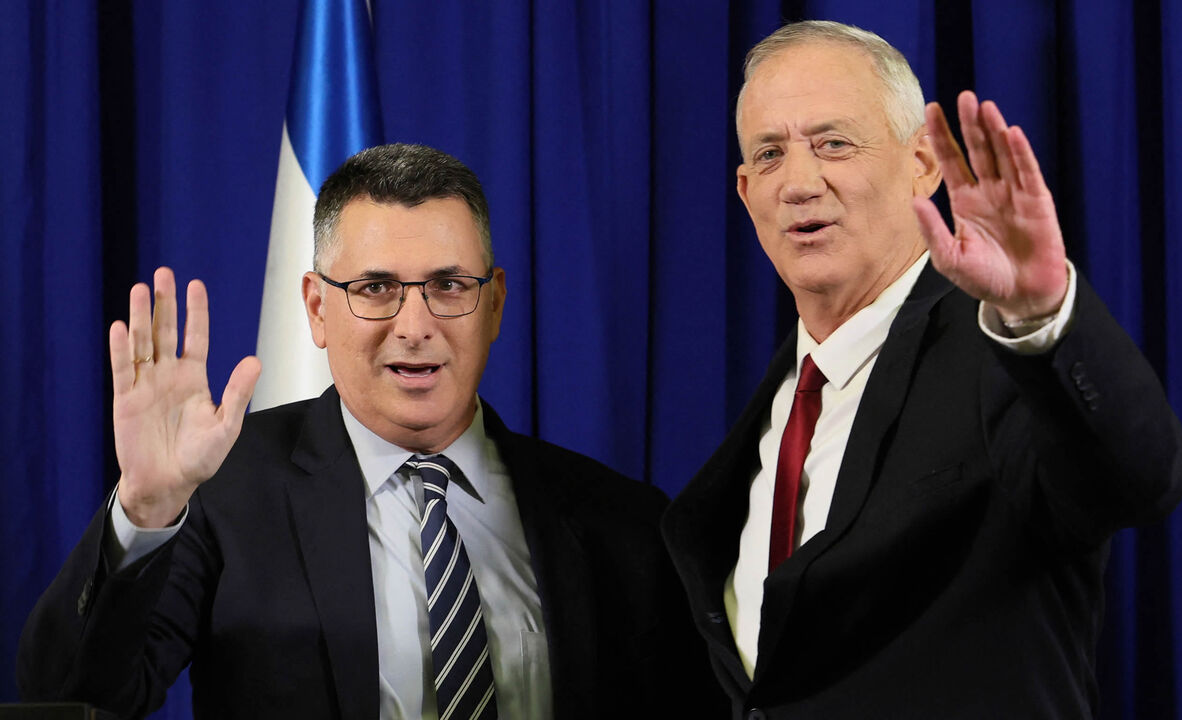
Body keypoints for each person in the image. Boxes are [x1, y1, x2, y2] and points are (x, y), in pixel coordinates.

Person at [19, 143, 720, 719]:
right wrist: (145, 509)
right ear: (318, 309)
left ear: (495, 305)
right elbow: (72, 698)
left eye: (448, 286)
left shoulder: (621, 522)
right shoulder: (224, 492)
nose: (414, 327)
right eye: (376, 288)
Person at [661, 20, 1182, 718]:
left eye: (833, 144)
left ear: (923, 164)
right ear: (744, 191)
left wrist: (1044, 316)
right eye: (768, 154)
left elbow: (1141, 477)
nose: (797, 182)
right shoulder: (775, 408)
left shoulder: (1000, 360)